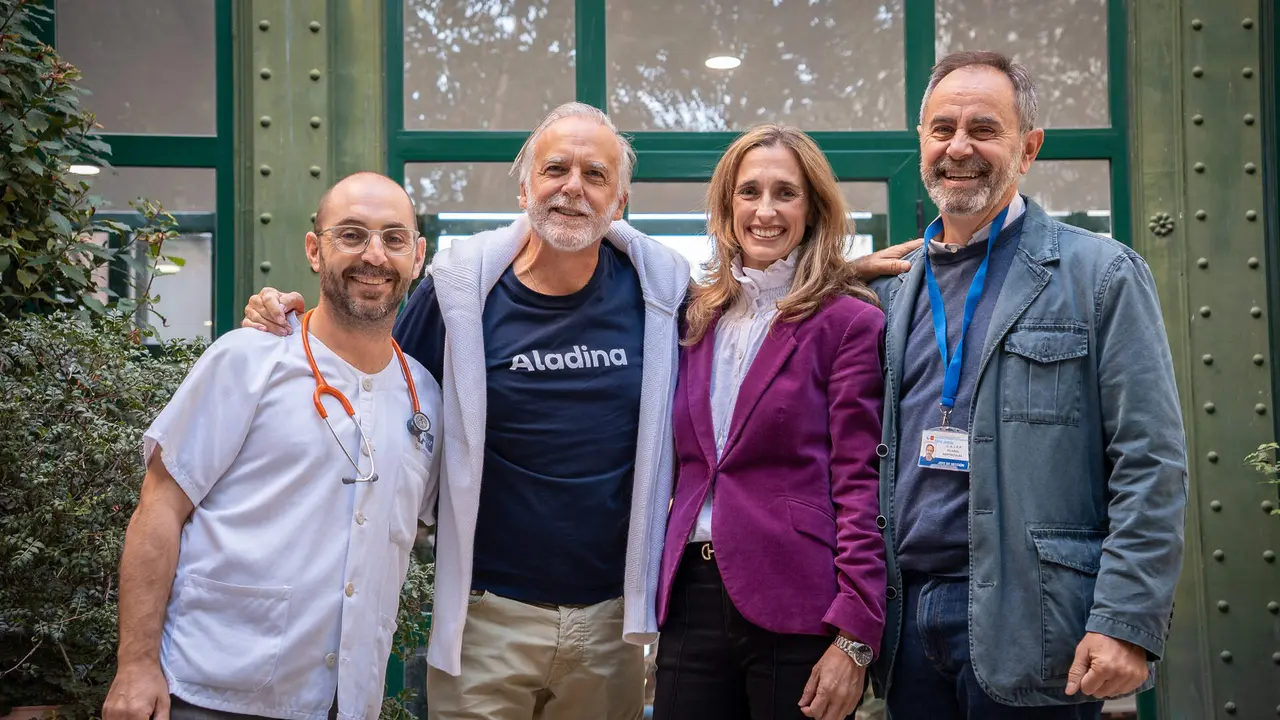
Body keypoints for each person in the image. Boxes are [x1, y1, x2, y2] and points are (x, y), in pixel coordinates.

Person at [242, 106, 923, 719]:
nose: (573, 188)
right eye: (556, 169)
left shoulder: (662, 296)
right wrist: (290, 320)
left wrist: (838, 274)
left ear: (619, 201)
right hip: (487, 621)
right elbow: (375, 372)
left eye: (595, 175)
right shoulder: (456, 296)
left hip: (610, 627)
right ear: (524, 188)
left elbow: (764, 304)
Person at [866, 50, 1188, 719]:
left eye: (984, 129)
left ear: (1029, 148)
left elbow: (1150, 461)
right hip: (906, 625)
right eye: (942, 129)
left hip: (1037, 621)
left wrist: (1126, 620)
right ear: (922, 142)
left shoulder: (1101, 275)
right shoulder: (890, 291)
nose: (959, 147)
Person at [102, 172, 442, 720]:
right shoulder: (247, 359)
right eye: (351, 234)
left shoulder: (425, 398)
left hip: (347, 701)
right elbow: (159, 508)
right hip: (214, 691)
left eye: (394, 238)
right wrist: (136, 666)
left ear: (417, 256)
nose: (374, 255)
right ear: (314, 249)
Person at [652, 125, 885, 720]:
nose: (765, 210)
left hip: (798, 599)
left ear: (813, 209)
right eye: (749, 192)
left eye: (786, 193)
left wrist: (856, 632)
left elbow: (860, 482)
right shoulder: (693, 319)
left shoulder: (848, 323)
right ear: (727, 206)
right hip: (690, 597)